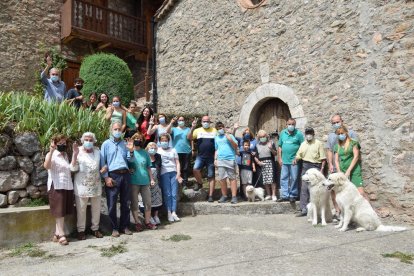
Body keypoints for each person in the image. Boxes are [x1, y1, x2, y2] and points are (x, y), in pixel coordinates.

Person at [100, 121, 132, 237]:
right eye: (115, 129)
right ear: (111, 130)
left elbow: (131, 161)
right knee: (112, 203)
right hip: (113, 175)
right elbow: (102, 162)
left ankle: (125, 226)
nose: (117, 131)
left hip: (126, 174)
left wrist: (131, 151)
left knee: (126, 202)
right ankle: (114, 228)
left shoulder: (125, 144)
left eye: (119, 129)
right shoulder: (106, 144)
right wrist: (106, 177)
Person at [70, 132, 103, 239]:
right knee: (81, 209)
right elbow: (73, 169)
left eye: (90, 140)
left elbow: (102, 165)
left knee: (96, 209)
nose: (88, 142)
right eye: (86, 140)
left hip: (96, 185)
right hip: (82, 186)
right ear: (82, 141)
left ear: (94, 141)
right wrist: (74, 155)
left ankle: (95, 229)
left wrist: (104, 169)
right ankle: (81, 231)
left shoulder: (98, 152)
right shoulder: (77, 151)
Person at [44, 134, 75, 245]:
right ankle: (62, 234)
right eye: (60, 143)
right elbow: (46, 166)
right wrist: (51, 151)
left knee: (63, 210)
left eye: (64, 143)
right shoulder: (51, 154)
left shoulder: (65, 155)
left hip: (66, 185)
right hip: (56, 185)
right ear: (55, 144)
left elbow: (70, 169)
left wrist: (75, 154)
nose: (62, 145)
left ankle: (57, 234)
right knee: (59, 211)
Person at [325, 114, 358, 216]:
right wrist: (330, 163)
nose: (336, 124)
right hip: (336, 167)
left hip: (348, 166)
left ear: (342, 121)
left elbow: (355, 150)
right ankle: (338, 211)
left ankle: (353, 213)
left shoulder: (351, 133)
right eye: (333, 123)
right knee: (333, 190)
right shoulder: (331, 136)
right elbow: (330, 150)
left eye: (337, 122)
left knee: (352, 190)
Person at [127, 132, 157, 231]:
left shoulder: (145, 152)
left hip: (145, 181)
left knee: (148, 202)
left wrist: (152, 179)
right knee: (134, 203)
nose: (137, 140)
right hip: (133, 181)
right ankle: (137, 223)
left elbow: (148, 167)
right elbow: (126, 163)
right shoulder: (129, 151)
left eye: (140, 139)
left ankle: (147, 222)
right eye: (136, 138)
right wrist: (128, 169)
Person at [293, 127, 326, 216]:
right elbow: (298, 155)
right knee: (304, 188)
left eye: (310, 133)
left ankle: (318, 210)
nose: (309, 135)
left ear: (313, 134)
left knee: (317, 189)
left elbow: (323, 158)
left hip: (316, 166)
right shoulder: (303, 144)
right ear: (305, 134)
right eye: (307, 133)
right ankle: (303, 209)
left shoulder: (318, 143)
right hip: (305, 166)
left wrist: (322, 170)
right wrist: (295, 159)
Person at [334, 126, 367, 198]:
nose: (340, 135)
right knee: (346, 193)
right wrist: (339, 172)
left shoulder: (353, 143)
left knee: (360, 193)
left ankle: (368, 208)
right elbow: (336, 160)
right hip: (343, 170)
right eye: (338, 134)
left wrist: (349, 170)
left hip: (354, 170)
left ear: (346, 132)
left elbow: (356, 157)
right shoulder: (337, 146)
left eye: (342, 133)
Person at [189, 116, 217, 198]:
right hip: (200, 156)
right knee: (195, 169)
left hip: (211, 157)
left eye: (207, 121)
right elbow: (189, 138)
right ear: (201, 122)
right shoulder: (197, 130)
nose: (206, 122)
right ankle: (200, 183)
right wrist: (192, 128)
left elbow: (219, 142)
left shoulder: (214, 130)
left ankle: (211, 195)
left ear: (210, 122)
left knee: (211, 176)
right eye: (204, 121)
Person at [277, 118, 304, 203]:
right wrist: (279, 158)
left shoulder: (299, 134)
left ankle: (293, 195)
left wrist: (297, 157)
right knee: (283, 178)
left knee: (294, 178)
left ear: (295, 125)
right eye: (289, 124)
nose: (291, 126)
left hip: (294, 161)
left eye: (293, 124)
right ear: (286, 124)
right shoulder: (282, 133)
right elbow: (280, 146)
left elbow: (302, 147)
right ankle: (285, 195)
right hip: (284, 161)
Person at [157, 133, 182, 222]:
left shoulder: (173, 150)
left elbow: (177, 162)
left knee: (174, 193)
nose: (164, 142)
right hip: (164, 173)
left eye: (166, 140)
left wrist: (178, 173)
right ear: (160, 141)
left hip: (174, 172)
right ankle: (168, 212)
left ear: (168, 141)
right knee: (167, 194)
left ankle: (174, 212)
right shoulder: (158, 150)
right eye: (162, 140)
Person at [214, 122, 238, 204]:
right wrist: (215, 159)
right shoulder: (216, 138)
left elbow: (235, 146)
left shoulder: (230, 136)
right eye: (218, 128)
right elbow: (216, 149)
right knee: (222, 179)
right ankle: (224, 196)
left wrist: (230, 139)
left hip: (230, 159)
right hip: (220, 160)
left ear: (224, 127)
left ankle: (234, 197)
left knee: (232, 178)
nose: (220, 129)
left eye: (221, 127)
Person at [256, 130, 278, 201]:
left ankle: (274, 194)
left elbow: (275, 154)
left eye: (264, 136)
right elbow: (255, 156)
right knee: (265, 179)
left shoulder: (271, 143)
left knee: (272, 179)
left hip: (270, 162)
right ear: (259, 138)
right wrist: (258, 162)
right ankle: (268, 194)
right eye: (261, 137)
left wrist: (271, 148)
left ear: (266, 136)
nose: (262, 138)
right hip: (262, 163)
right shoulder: (257, 145)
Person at [171, 116, 192, 189]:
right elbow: (167, 132)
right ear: (177, 121)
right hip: (176, 151)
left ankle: (184, 183)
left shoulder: (188, 129)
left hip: (186, 151)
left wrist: (192, 127)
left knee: (185, 168)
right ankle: (177, 183)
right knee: (177, 168)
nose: (181, 121)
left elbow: (190, 138)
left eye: (182, 120)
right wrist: (171, 122)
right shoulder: (173, 129)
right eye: (180, 120)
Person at [146, 142, 163, 225]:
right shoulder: (145, 156)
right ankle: (150, 217)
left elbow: (159, 167)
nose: (152, 149)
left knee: (157, 198)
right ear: (147, 149)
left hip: (157, 180)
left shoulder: (158, 156)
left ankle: (156, 216)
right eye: (150, 147)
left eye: (154, 148)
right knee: (148, 198)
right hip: (147, 180)